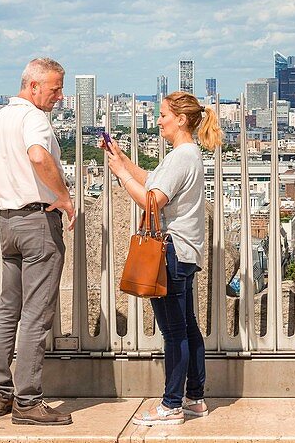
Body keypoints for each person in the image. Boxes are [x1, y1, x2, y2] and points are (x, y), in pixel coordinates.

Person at [105, 90, 223, 426]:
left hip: (170, 252)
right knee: (187, 328)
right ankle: (195, 398)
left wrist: (121, 175)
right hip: (185, 251)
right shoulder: (188, 154)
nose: (158, 121)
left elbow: (151, 200)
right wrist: (122, 160)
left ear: (181, 119)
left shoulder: (181, 156)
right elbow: (154, 182)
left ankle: (171, 404)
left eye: (163, 115)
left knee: (174, 333)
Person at [0, 58, 77, 426]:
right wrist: (63, 196)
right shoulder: (34, 119)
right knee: (37, 314)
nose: (59, 96)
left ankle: (0, 392)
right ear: (33, 86)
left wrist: (13, 186)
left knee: (8, 309)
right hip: (37, 220)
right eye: (54, 88)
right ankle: (28, 400)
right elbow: (38, 156)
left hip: (7, 222)